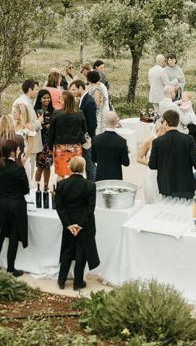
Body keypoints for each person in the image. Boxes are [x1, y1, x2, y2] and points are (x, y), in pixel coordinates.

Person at [55, 156, 99, 291]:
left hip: (69, 224)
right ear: (83, 168)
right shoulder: (90, 185)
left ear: (70, 167)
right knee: (81, 252)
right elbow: (90, 209)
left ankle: (61, 281)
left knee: (67, 251)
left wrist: (69, 224)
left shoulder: (62, 184)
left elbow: (59, 207)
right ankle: (78, 282)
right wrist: (79, 225)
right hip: (84, 225)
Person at [0, 139, 29, 276]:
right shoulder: (19, 169)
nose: (19, 151)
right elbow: (25, 190)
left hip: (3, 203)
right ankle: (11, 268)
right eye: (17, 149)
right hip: (16, 205)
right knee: (13, 236)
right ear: (12, 152)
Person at [149, 110, 196, 200]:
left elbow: (152, 165)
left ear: (165, 122)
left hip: (166, 186)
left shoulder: (157, 142)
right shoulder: (188, 139)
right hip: (185, 185)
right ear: (177, 122)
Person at [49, 90, 87, 180]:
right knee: (76, 172)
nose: (59, 101)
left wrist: (50, 147)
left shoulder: (56, 114)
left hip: (60, 148)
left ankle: (60, 192)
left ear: (65, 101)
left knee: (60, 174)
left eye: (61, 99)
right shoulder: (79, 113)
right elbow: (84, 129)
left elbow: (51, 132)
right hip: (75, 147)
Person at [70, 80, 97, 181]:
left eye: (73, 89)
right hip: (84, 138)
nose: (72, 92)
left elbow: (93, 124)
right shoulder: (82, 99)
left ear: (80, 88)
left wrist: (86, 138)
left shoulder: (89, 102)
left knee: (90, 164)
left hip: (87, 139)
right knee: (88, 163)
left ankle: (93, 184)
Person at [91, 112, 130, 181]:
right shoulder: (122, 141)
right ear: (116, 123)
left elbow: (93, 159)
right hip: (116, 177)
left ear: (104, 122)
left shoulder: (96, 139)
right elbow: (126, 163)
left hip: (100, 176)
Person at [34, 89, 54, 189]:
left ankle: (46, 186)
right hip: (40, 142)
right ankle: (36, 187)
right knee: (40, 166)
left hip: (49, 142)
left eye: (48, 98)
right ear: (40, 99)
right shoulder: (37, 112)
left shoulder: (52, 111)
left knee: (48, 165)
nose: (47, 100)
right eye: (44, 98)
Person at [13, 103, 37, 183]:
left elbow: (30, 145)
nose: (13, 114)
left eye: (15, 112)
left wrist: (24, 159)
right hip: (12, 155)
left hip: (22, 154)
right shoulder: (14, 124)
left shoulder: (28, 127)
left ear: (21, 113)